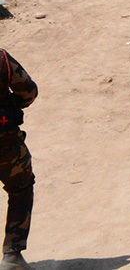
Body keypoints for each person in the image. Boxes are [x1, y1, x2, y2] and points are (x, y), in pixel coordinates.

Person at [0, 50, 37, 270]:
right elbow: (28, 92)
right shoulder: (2, 59)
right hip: (6, 147)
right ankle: (12, 256)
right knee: (21, 187)